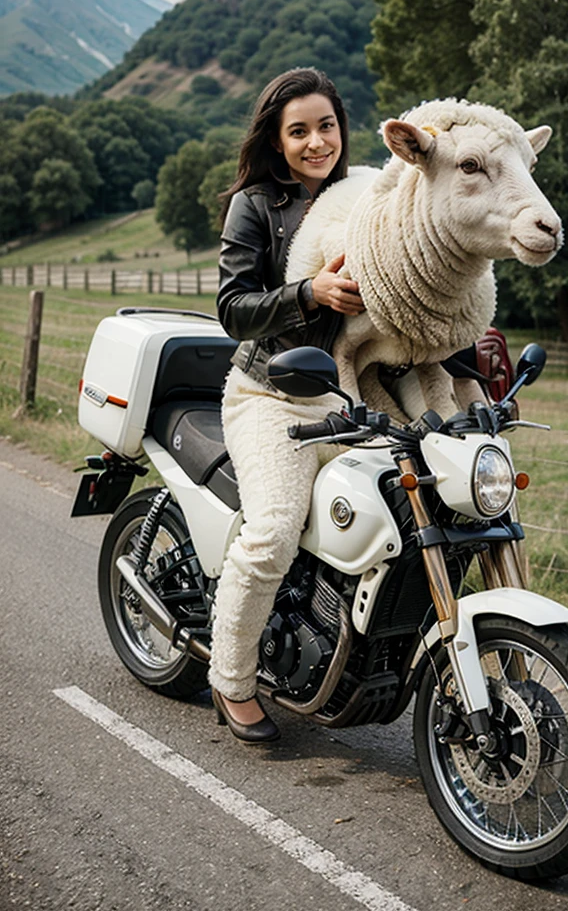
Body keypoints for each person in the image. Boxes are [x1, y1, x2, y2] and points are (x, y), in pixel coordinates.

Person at [211, 67, 364, 743]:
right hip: (266, 392)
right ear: (277, 141)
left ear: (341, 128)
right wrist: (308, 293)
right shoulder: (255, 206)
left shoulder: (363, 198)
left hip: (342, 390)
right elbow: (232, 308)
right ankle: (231, 678)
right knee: (273, 529)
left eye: (325, 126)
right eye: (297, 130)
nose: (315, 141)